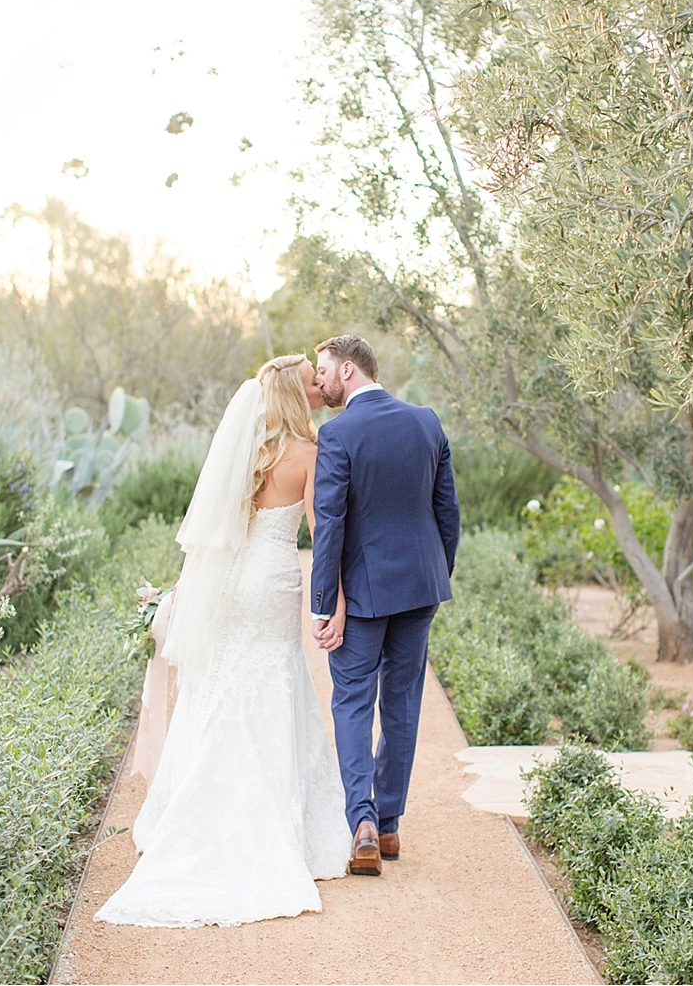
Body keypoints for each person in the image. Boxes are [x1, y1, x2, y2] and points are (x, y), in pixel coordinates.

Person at [95, 354, 349, 928]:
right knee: (275, 676)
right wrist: (332, 601)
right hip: (275, 580)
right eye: (311, 380)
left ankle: (190, 807)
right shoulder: (311, 453)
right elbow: (323, 531)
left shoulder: (247, 452)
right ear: (294, 395)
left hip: (234, 581)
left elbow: (217, 533)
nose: (317, 385)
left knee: (223, 680)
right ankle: (270, 821)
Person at [309, 334, 460, 876]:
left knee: (351, 701)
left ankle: (363, 824)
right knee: (401, 703)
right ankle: (390, 824)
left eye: (324, 370)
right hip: (421, 587)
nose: (318, 380)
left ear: (348, 370)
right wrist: (434, 574)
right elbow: (448, 515)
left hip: (366, 596)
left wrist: (325, 603)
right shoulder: (427, 422)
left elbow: (330, 527)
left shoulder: (338, 433)